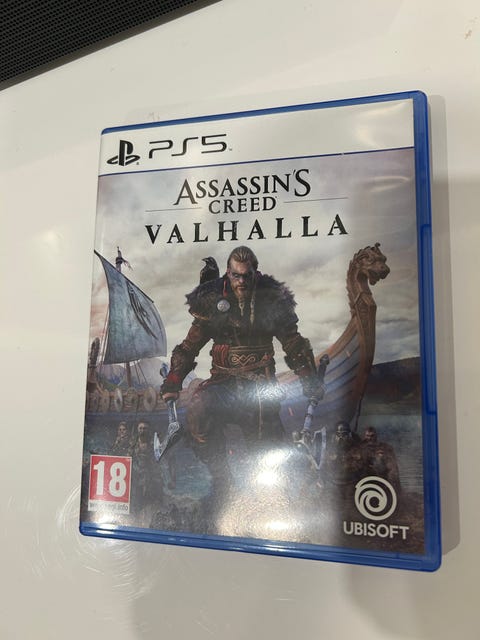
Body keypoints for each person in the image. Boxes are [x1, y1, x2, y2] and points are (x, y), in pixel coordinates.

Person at [161, 245, 322, 502]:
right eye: (236, 275)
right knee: (199, 410)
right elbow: (190, 345)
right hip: (223, 382)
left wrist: (309, 378)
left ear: (255, 273)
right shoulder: (212, 299)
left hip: (259, 385)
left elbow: (292, 342)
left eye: (246, 276)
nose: (241, 281)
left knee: (265, 444)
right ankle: (222, 481)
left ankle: (266, 493)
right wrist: (173, 380)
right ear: (228, 273)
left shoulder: (271, 299)